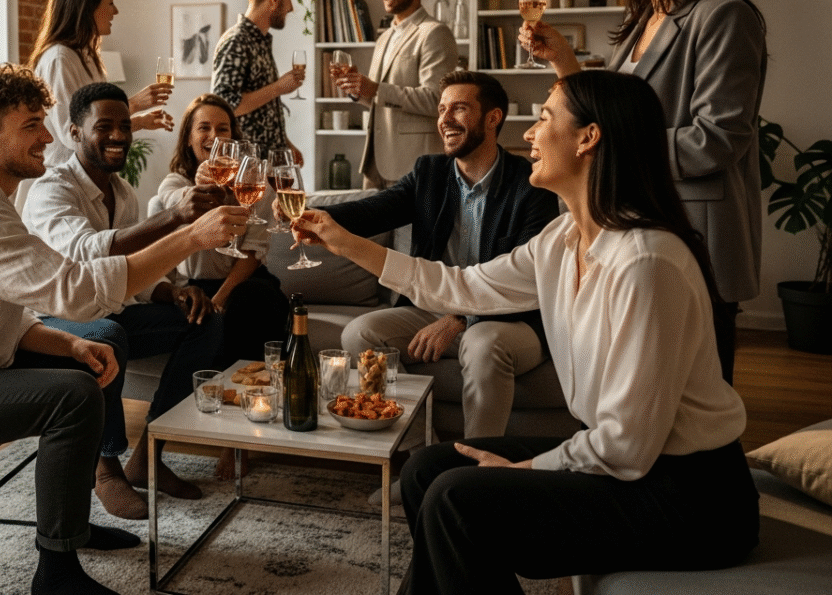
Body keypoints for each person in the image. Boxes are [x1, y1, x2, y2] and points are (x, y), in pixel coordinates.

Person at [294, 71, 759, 594]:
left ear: (589, 137)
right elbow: (463, 286)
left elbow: (627, 448)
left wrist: (530, 465)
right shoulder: (561, 239)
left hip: (689, 496)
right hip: (627, 465)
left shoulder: (647, 264)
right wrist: (345, 242)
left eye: (543, 118)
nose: (530, 135)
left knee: (455, 500)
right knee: (425, 469)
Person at [0, 64, 247, 595]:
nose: (47, 136)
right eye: (32, 125)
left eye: (45, 121)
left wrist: (68, 342)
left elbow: (4, 312)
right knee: (73, 396)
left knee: (83, 367)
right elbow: (78, 292)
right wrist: (189, 237)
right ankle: (56, 575)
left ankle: (73, 528)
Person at [518, 0, 767, 383]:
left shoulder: (724, 16)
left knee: (694, 397)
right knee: (634, 390)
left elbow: (716, 140)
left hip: (694, 234)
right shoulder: (640, 21)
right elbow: (615, 116)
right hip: (631, 226)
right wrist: (566, 63)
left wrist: (617, 148)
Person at [23, 83, 229, 520]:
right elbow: (87, 252)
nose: (118, 135)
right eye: (104, 126)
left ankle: (150, 453)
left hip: (109, 309)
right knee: (108, 334)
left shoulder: (124, 193)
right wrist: (174, 218)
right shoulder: (51, 188)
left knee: (204, 319)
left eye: (124, 125)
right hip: (53, 319)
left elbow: (129, 272)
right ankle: (106, 468)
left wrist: (172, 291)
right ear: (75, 133)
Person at [332, 70, 560, 440]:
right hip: (435, 304)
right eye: (441, 109)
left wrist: (459, 317)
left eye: (459, 108)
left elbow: (528, 281)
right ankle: (418, 452)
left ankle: (475, 475)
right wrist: (313, 217)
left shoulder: (530, 183)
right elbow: (373, 210)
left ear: (493, 118)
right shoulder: (430, 173)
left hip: (509, 317)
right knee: (360, 333)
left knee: (482, 343)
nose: (445, 119)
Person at [158, 93, 288, 367]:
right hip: (194, 285)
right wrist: (198, 186)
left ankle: (256, 387)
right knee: (194, 315)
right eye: (203, 127)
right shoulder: (175, 182)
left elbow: (253, 253)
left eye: (223, 129)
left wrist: (219, 299)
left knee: (252, 300)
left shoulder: (251, 186)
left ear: (233, 139)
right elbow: (170, 200)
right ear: (188, 138)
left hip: (243, 283)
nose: (214, 136)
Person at [25, 0, 174, 174]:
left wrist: (140, 121)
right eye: (110, 3)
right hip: (64, 178)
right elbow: (73, 134)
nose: (116, 11)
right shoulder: (60, 59)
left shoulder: (87, 57)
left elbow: (95, 126)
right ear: (87, 7)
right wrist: (132, 105)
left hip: (87, 175)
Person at [334, 0, 458, 189]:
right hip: (373, 165)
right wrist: (357, 90)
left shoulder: (434, 33)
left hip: (411, 166)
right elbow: (379, 100)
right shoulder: (384, 38)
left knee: (411, 229)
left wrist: (376, 88)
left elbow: (437, 101)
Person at [211, 0, 306, 164]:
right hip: (249, 168)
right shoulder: (236, 41)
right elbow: (225, 105)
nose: (291, 8)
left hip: (268, 164)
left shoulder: (259, 41)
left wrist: (285, 143)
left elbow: (263, 109)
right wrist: (279, 87)